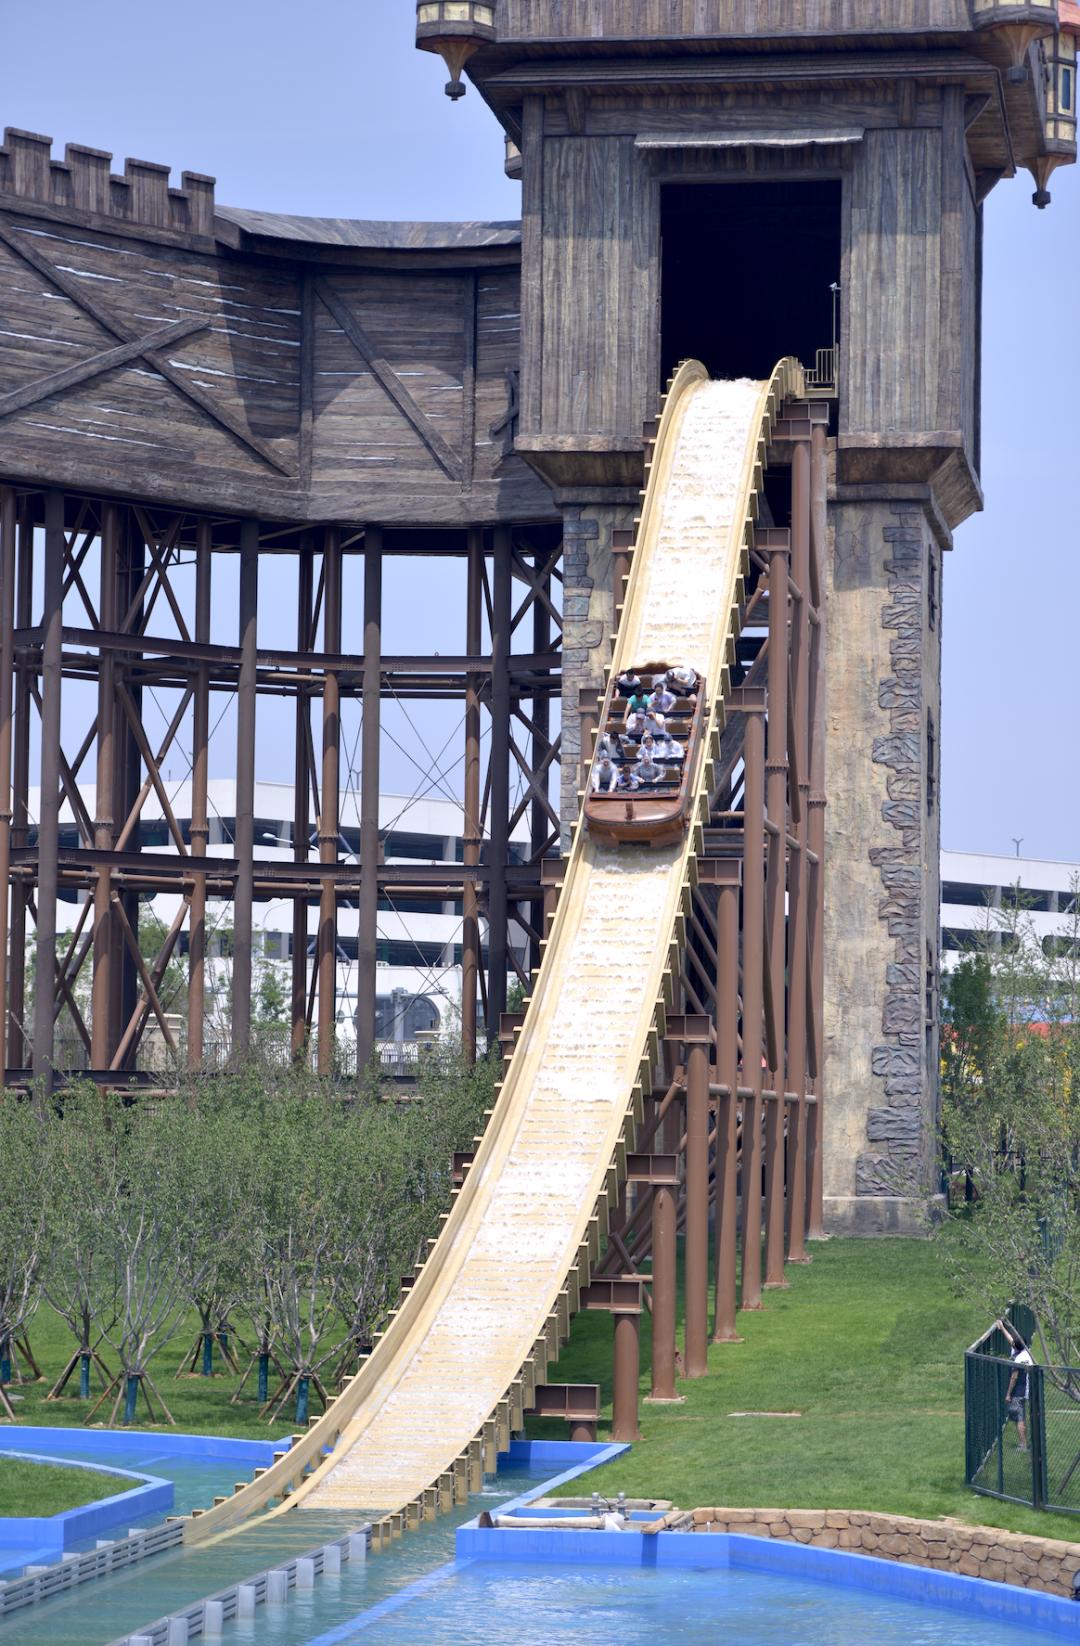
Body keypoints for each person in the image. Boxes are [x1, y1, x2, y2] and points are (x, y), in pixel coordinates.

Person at [1003, 1322, 1034, 1451]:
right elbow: (1012, 1341)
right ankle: (1026, 1442)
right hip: (1027, 1390)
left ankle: (1023, 1444)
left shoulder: (1018, 1359)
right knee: (1022, 1416)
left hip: (1019, 1391)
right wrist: (1002, 1327)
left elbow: (1014, 1377)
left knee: (1019, 1417)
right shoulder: (1027, 1353)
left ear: (1015, 1348)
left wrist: (1008, 1394)